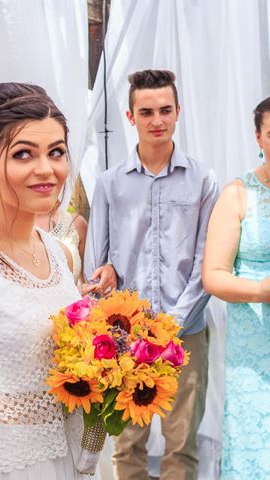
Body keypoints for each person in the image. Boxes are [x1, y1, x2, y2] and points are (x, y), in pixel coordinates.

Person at [0, 82, 97, 480]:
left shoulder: (62, 255)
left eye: (57, 152)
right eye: (23, 154)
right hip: (5, 465)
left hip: (75, 459)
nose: (46, 169)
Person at [85, 69, 219, 480]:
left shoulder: (204, 181)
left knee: (182, 444)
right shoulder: (109, 184)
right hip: (127, 337)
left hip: (187, 330)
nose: (156, 120)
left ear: (178, 111)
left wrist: (171, 326)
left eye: (164, 110)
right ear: (131, 117)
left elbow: (205, 259)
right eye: (146, 112)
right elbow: (97, 261)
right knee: (127, 445)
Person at [202, 97, 270, 479]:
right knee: (255, 440)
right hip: (254, 340)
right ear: (258, 137)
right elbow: (213, 274)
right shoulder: (237, 194)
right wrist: (262, 290)